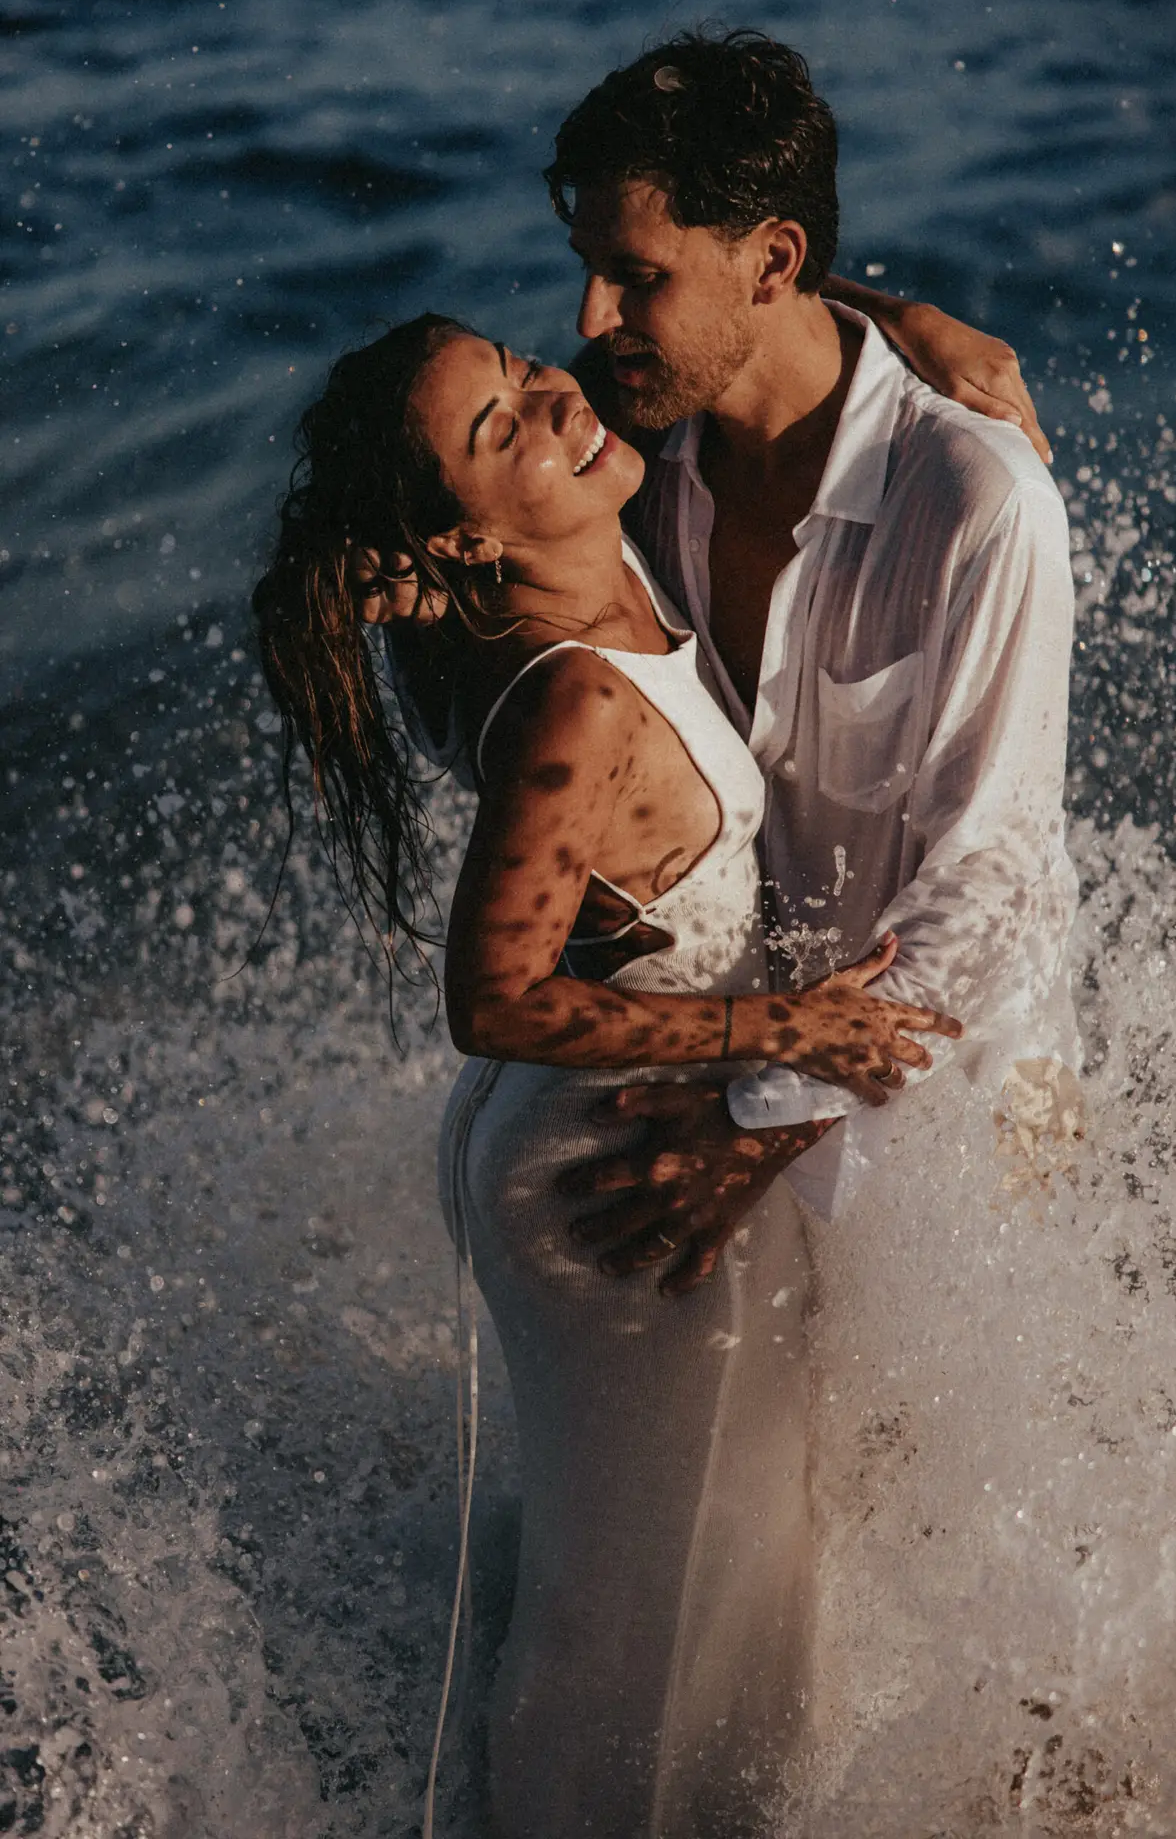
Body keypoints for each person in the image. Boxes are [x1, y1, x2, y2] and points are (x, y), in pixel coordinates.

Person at [252, 311, 963, 1838]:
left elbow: (699, 308)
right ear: (461, 538)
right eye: (500, 426)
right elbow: (493, 996)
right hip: (612, 1162)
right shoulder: (568, 699)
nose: (554, 399)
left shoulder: (573, 544)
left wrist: (904, 326)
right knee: (655, 1615)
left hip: (616, 1125)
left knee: (712, 1569)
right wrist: (781, 1033)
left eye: (519, 369)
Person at [540, 29, 1079, 1274]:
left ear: (775, 261)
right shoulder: (626, 460)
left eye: (635, 277)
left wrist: (762, 1118)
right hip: (733, 1063)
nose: (591, 318)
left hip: (957, 1110)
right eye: (588, 269)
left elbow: (991, 875)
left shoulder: (978, 500)